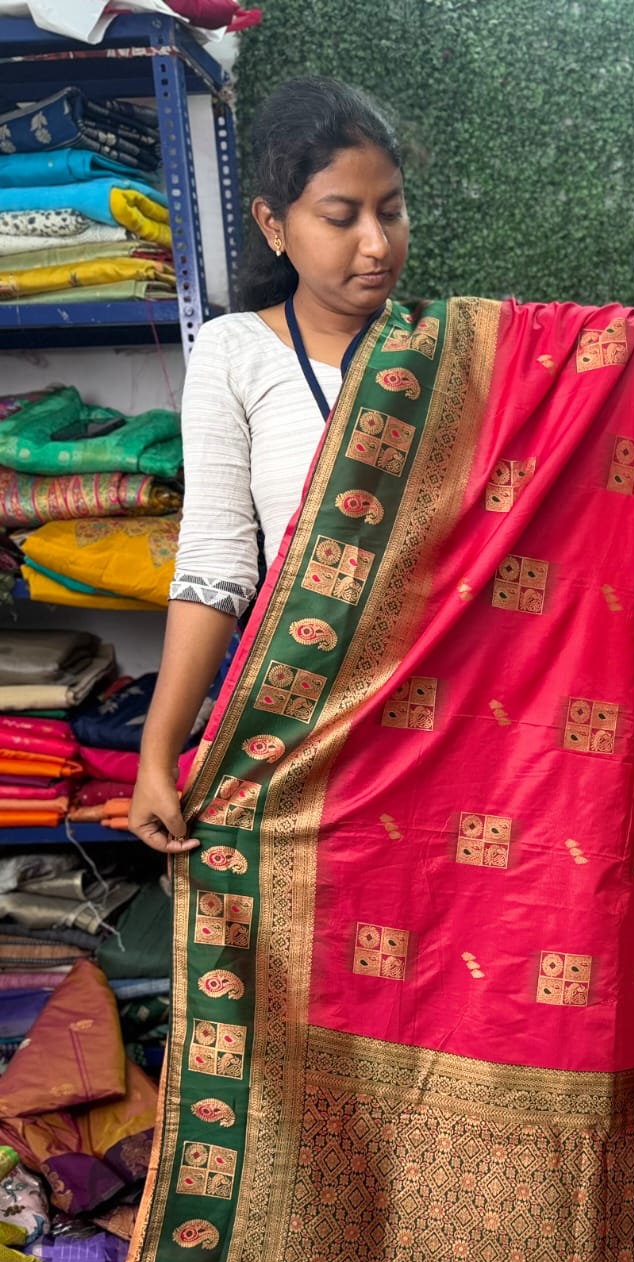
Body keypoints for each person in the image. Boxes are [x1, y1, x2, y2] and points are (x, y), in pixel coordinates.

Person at [129, 77, 410, 853]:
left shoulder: (447, 350)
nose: (377, 243)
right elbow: (215, 564)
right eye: (342, 217)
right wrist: (157, 754)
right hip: (291, 725)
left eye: (391, 211)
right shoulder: (235, 352)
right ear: (273, 224)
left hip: (442, 720)